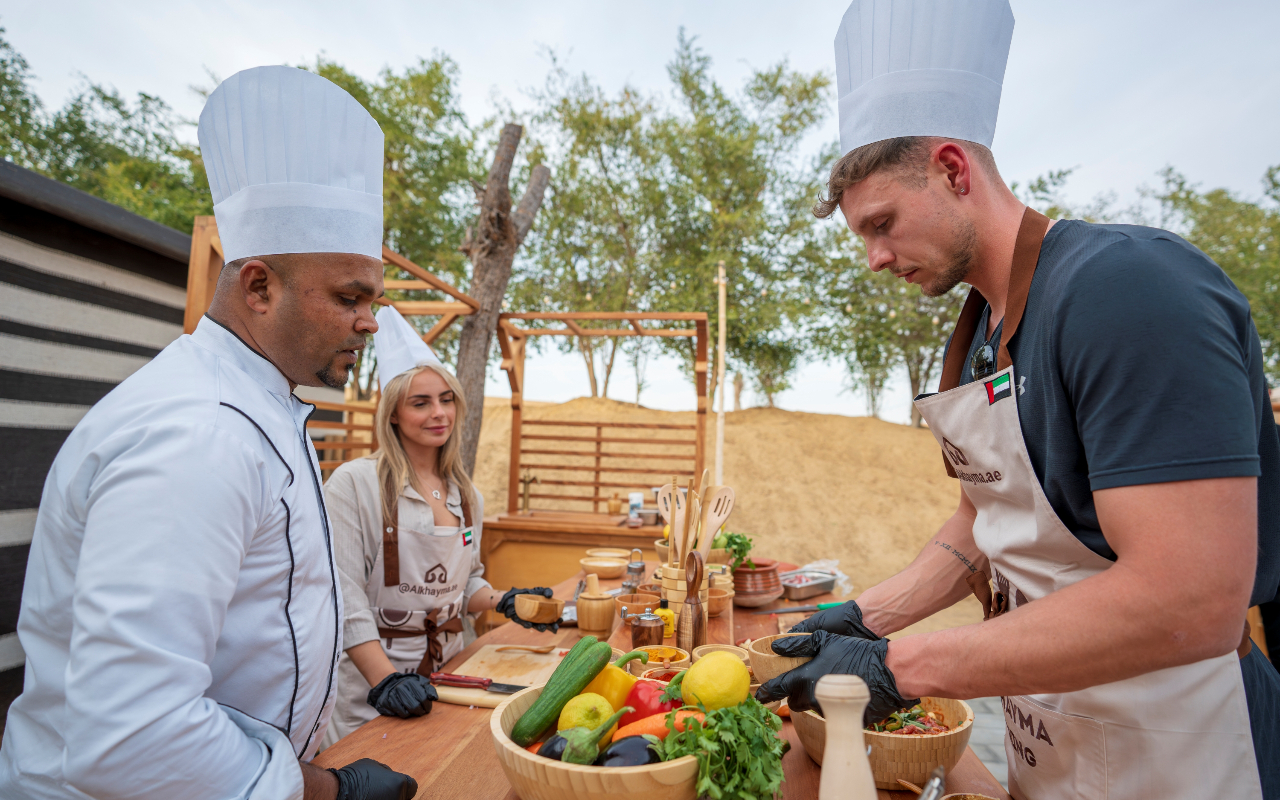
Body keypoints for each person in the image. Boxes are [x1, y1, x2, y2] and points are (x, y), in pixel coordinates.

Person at [756, 2, 1280, 798]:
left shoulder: (1128, 290)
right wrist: (867, 617)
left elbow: (1193, 598)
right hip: (1054, 731)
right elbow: (988, 523)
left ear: (953, 169)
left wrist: (902, 664)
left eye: (884, 223)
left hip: (1184, 745)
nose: (874, 258)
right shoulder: (975, 334)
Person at [0, 66, 416, 800]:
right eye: (350, 297)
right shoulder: (198, 433)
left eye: (372, 300)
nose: (369, 322)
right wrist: (330, 791)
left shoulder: (257, 408)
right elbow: (134, 737)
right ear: (258, 287)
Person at [322, 306, 560, 746]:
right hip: (370, 689)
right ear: (392, 413)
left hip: (451, 678)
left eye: (446, 399)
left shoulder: (466, 495)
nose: (439, 414)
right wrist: (386, 682)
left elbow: (463, 584)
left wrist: (503, 599)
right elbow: (343, 598)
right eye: (421, 402)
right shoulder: (353, 485)